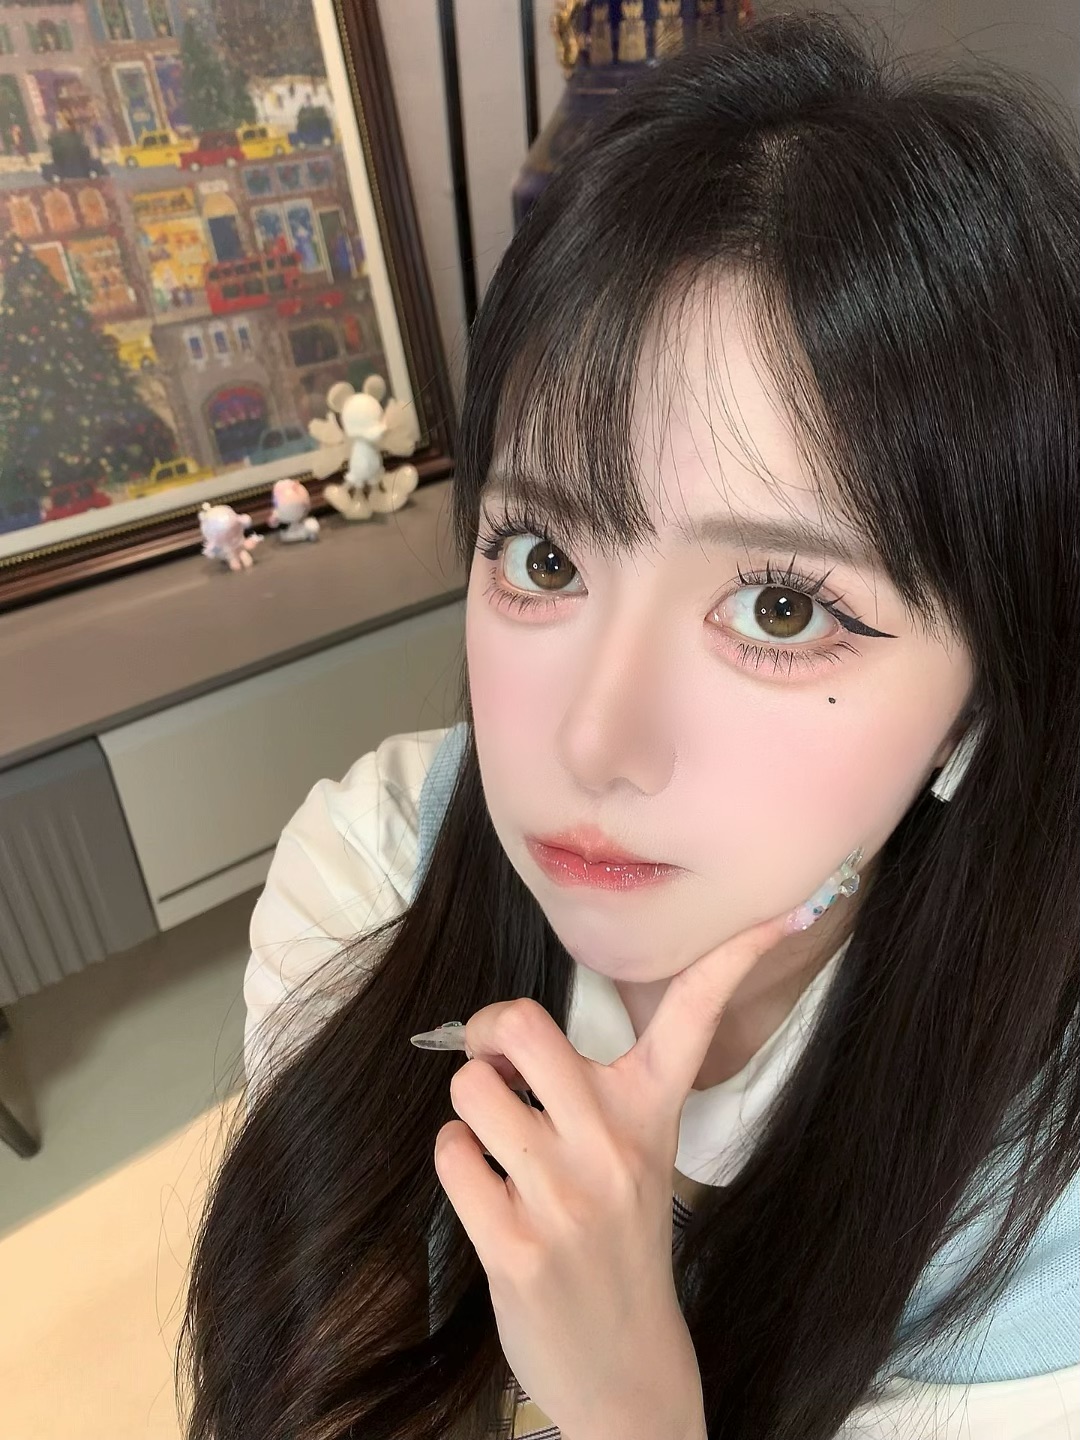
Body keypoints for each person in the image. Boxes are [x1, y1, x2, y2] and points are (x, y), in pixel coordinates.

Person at [178, 13, 1080, 1440]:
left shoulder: (1038, 1204)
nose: (595, 743)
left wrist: (633, 1408)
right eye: (544, 558)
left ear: (985, 700)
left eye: (781, 607)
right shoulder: (375, 877)